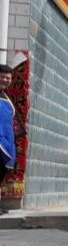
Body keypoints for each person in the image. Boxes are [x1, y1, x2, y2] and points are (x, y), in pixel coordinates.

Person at [0, 64, 14, 213]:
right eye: (2, 76)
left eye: (8, 78)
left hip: (6, 142)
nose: (5, 80)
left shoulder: (5, 96)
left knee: (1, 173)